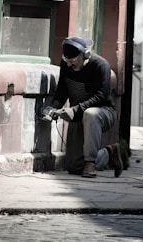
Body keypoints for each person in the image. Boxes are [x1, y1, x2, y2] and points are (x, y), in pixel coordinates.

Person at [42, 36, 123, 178]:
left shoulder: (101, 65)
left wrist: (74, 110)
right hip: (78, 115)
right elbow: (62, 91)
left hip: (103, 112)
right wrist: (52, 108)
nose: (69, 65)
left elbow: (101, 97)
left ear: (85, 55)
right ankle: (110, 153)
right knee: (74, 166)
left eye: (73, 61)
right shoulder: (66, 65)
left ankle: (91, 162)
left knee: (90, 114)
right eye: (67, 62)